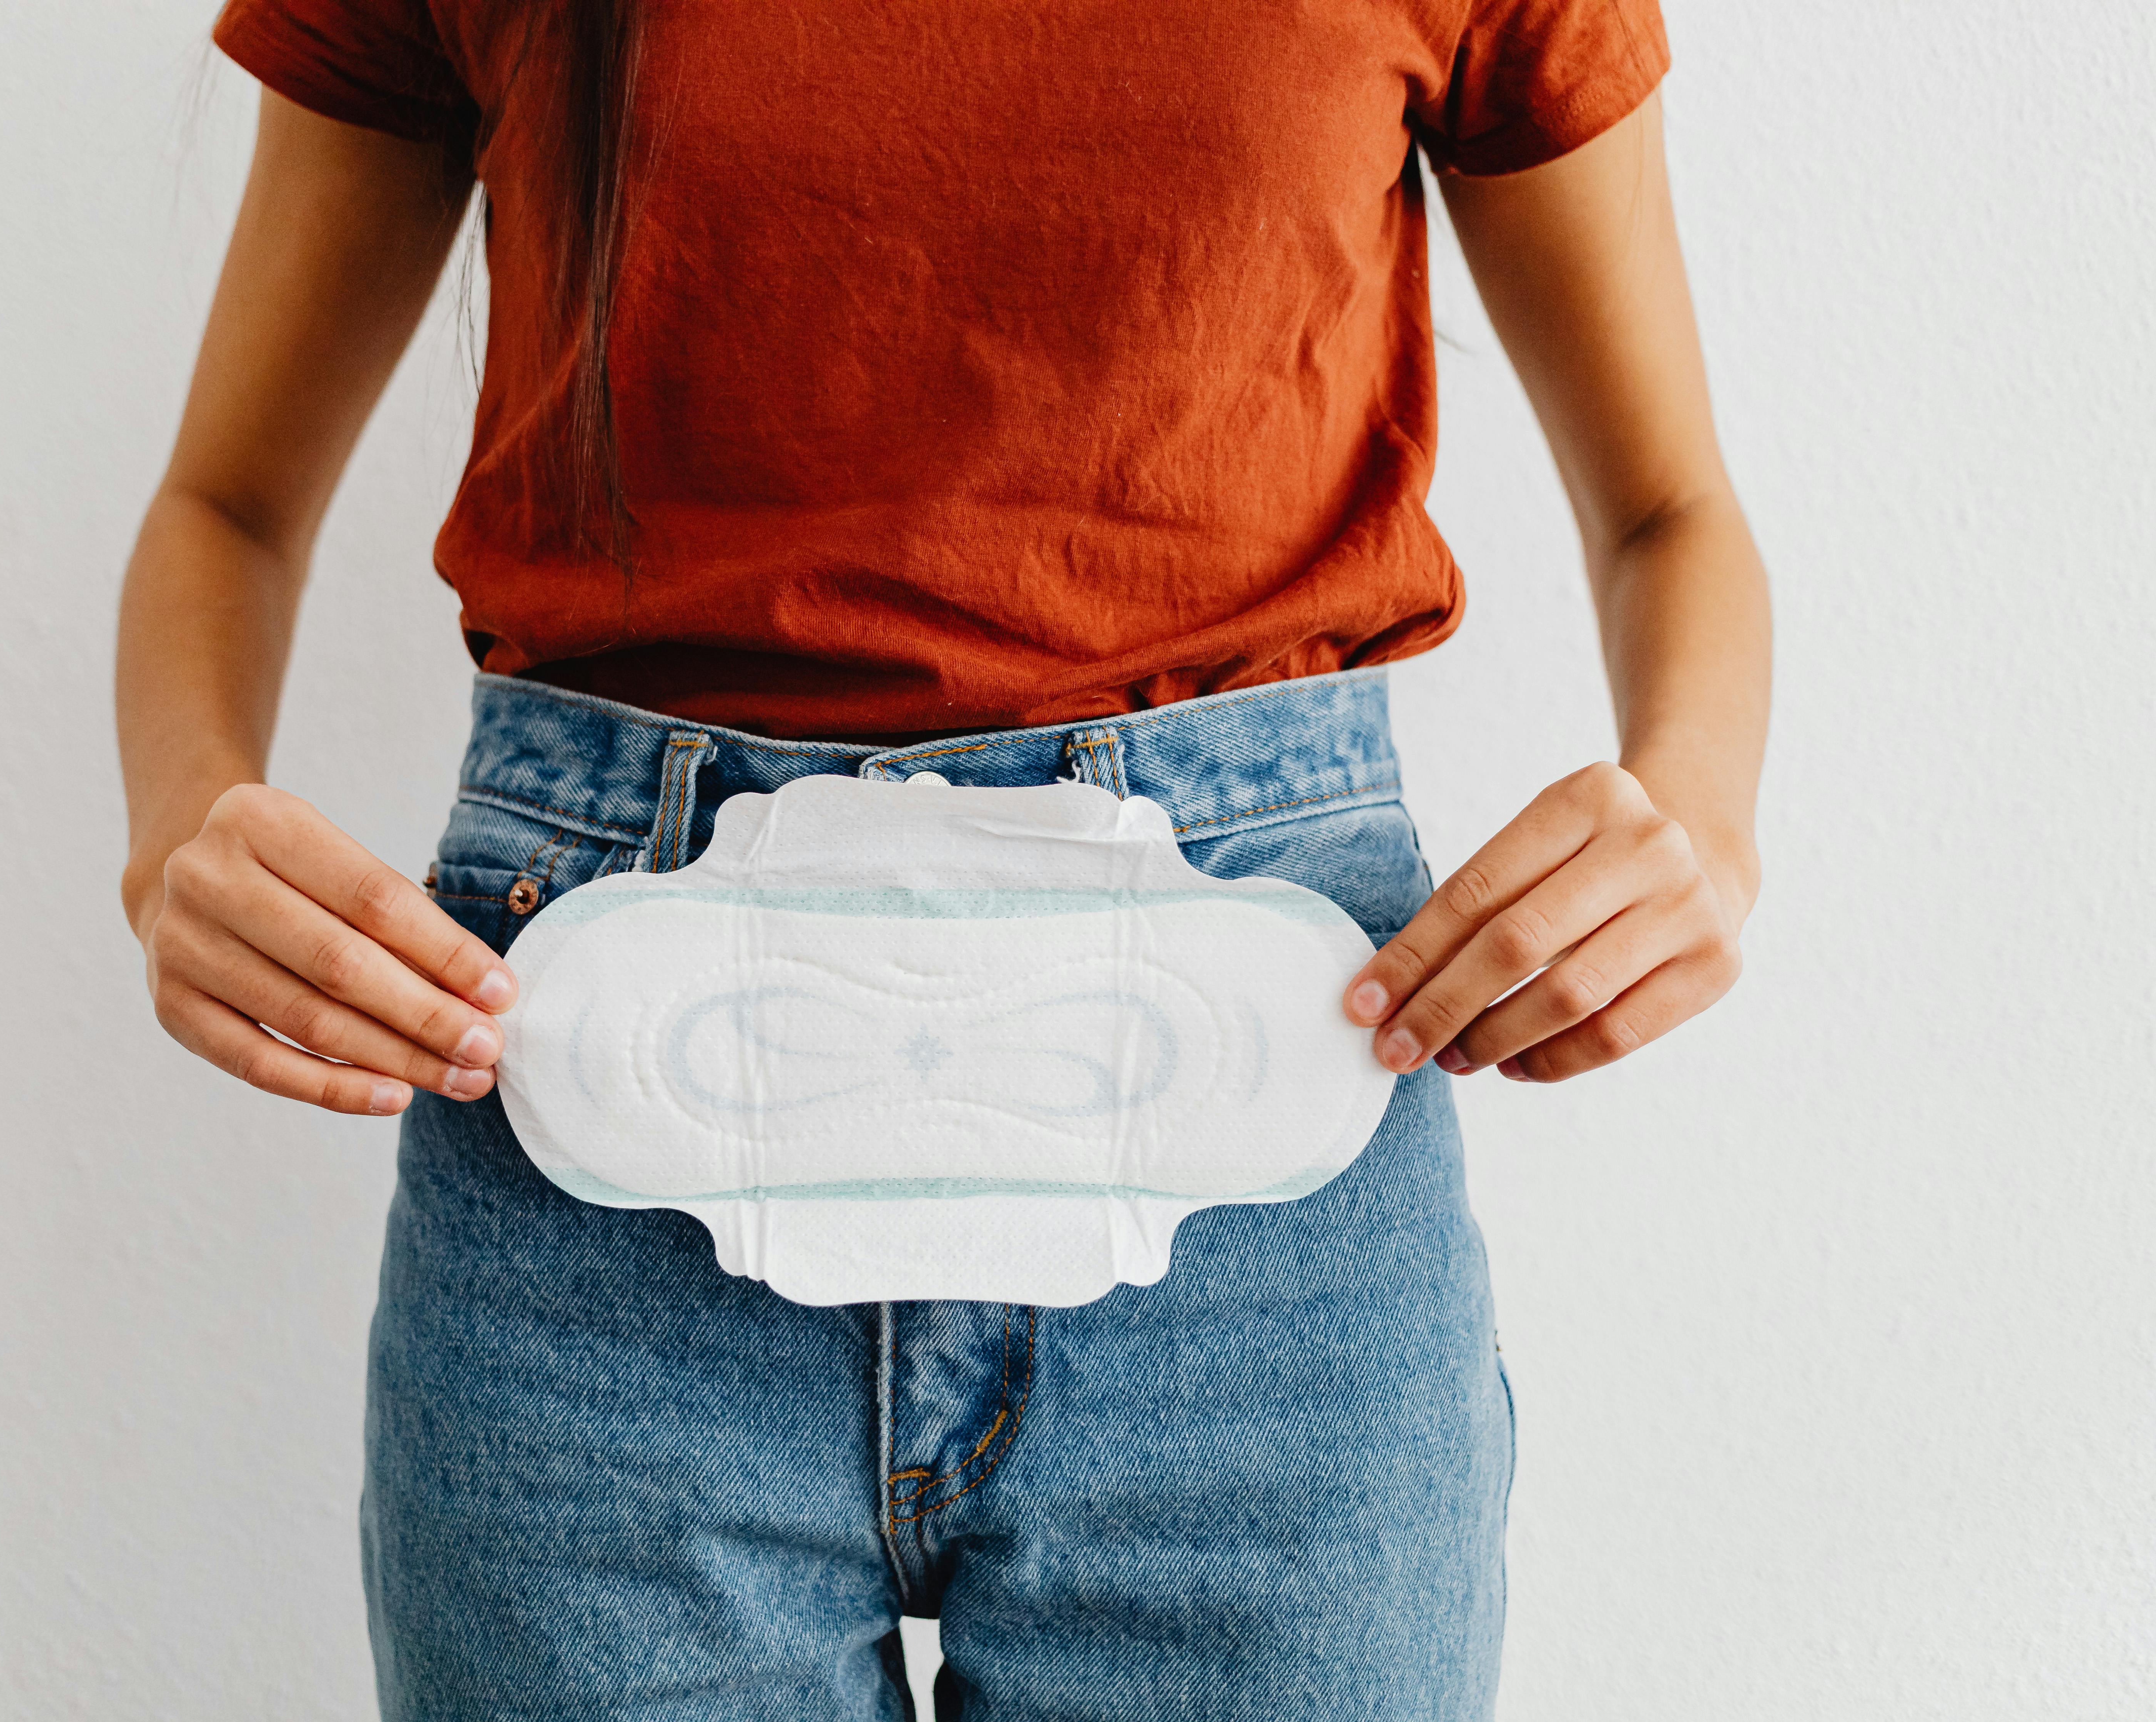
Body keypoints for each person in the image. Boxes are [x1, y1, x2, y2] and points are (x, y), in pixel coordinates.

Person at [114, 1, 1767, 1714]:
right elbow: (225, 503)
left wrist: (1704, 817)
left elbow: (1673, 511)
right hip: (601, 1200)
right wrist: (177, 833)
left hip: (1266, 1184)